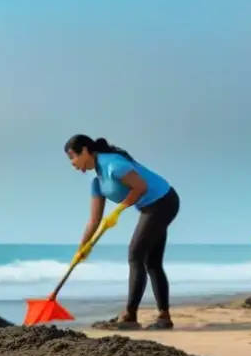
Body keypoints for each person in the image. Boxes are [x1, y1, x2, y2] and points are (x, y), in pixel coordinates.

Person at [65, 135, 180, 330]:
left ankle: (130, 316)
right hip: (150, 207)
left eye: (72, 157)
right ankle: (164, 317)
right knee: (152, 261)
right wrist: (82, 248)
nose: (73, 164)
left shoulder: (113, 165)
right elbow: (94, 220)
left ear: (85, 151)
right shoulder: (97, 183)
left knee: (135, 255)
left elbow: (141, 187)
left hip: (163, 202)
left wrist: (119, 209)